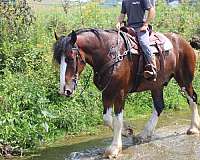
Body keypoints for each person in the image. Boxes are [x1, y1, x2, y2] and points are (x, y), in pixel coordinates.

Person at [116, 0, 157, 81]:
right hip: (129, 27)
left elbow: (152, 11)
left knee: (144, 44)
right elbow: (122, 14)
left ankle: (153, 68)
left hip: (141, 27)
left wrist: (145, 25)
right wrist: (118, 22)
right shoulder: (125, 1)